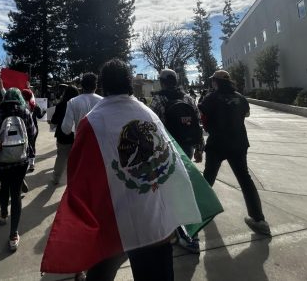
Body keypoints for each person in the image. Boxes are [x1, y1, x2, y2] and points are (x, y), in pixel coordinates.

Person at [42, 59, 209, 281]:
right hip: (154, 218)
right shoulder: (148, 113)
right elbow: (172, 161)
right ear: (129, 83)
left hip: (115, 219)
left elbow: (80, 175)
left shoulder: (91, 121)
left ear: (104, 86)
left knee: (102, 270)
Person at [199, 70, 271, 236]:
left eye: (213, 81)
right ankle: (259, 220)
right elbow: (245, 114)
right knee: (245, 179)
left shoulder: (210, 98)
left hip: (217, 144)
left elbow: (203, 119)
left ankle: (199, 213)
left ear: (216, 82)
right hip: (239, 143)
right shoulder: (240, 97)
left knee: (208, 179)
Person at [150, 69, 203, 253]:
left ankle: (187, 236)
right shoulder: (188, 97)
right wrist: (199, 148)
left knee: (172, 192)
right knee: (183, 187)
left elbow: (152, 128)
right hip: (187, 148)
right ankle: (185, 233)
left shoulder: (158, 100)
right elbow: (197, 122)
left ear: (162, 82)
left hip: (167, 151)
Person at [0, 88, 37, 251]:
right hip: (21, 160)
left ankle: (2, 212)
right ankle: (14, 234)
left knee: (4, 186)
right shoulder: (25, 112)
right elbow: (32, 132)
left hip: (2, 159)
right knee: (15, 194)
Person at [50, 85, 80, 185]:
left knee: (61, 157)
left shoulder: (61, 105)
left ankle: (56, 178)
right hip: (76, 135)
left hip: (62, 136)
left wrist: (51, 123)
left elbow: (54, 121)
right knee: (75, 158)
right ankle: (73, 177)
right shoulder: (78, 104)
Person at [21, 88, 45, 171]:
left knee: (24, 146)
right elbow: (40, 116)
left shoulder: (21, 106)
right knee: (32, 145)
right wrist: (44, 112)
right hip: (34, 129)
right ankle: (32, 164)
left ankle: (24, 161)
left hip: (23, 129)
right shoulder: (35, 106)